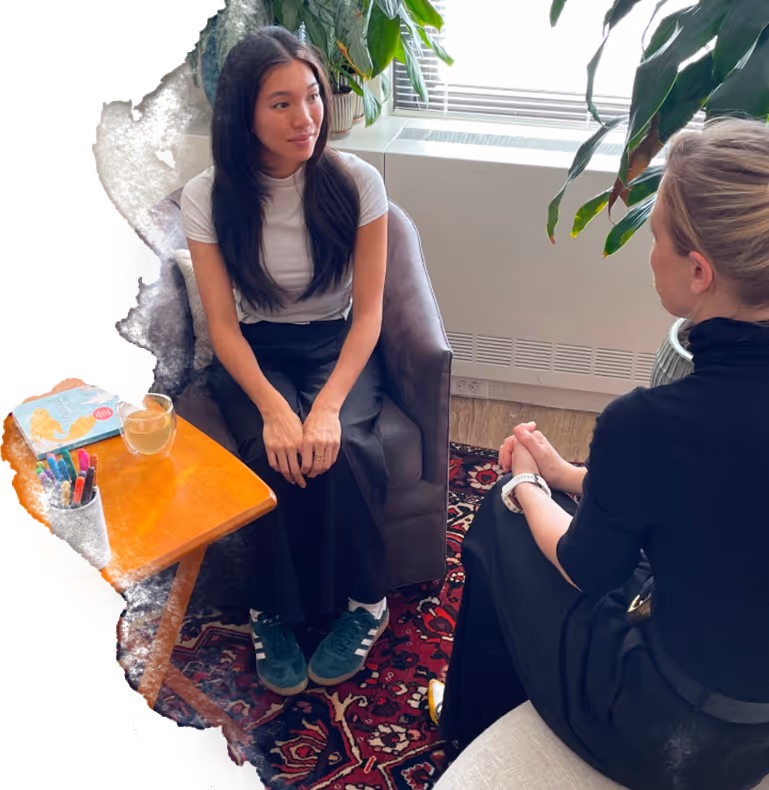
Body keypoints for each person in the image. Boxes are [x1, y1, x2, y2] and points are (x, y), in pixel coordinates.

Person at [428, 117, 769, 790]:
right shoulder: (670, 431)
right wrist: (570, 476)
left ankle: (467, 721)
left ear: (699, 271)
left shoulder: (651, 423)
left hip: (673, 735)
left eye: (655, 241)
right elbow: (713, 503)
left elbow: (586, 569)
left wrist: (527, 486)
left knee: (500, 521)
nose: (649, 256)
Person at [180, 27, 391, 698]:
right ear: (243, 112)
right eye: (280, 104)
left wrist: (324, 407)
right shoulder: (207, 194)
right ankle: (269, 610)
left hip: (335, 341)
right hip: (254, 347)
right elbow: (221, 324)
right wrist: (275, 410)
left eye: (312, 97)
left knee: (344, 446)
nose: (306, 119)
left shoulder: (357, 182)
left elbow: (369, 313)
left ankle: (365, 603)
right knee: (264, 450)